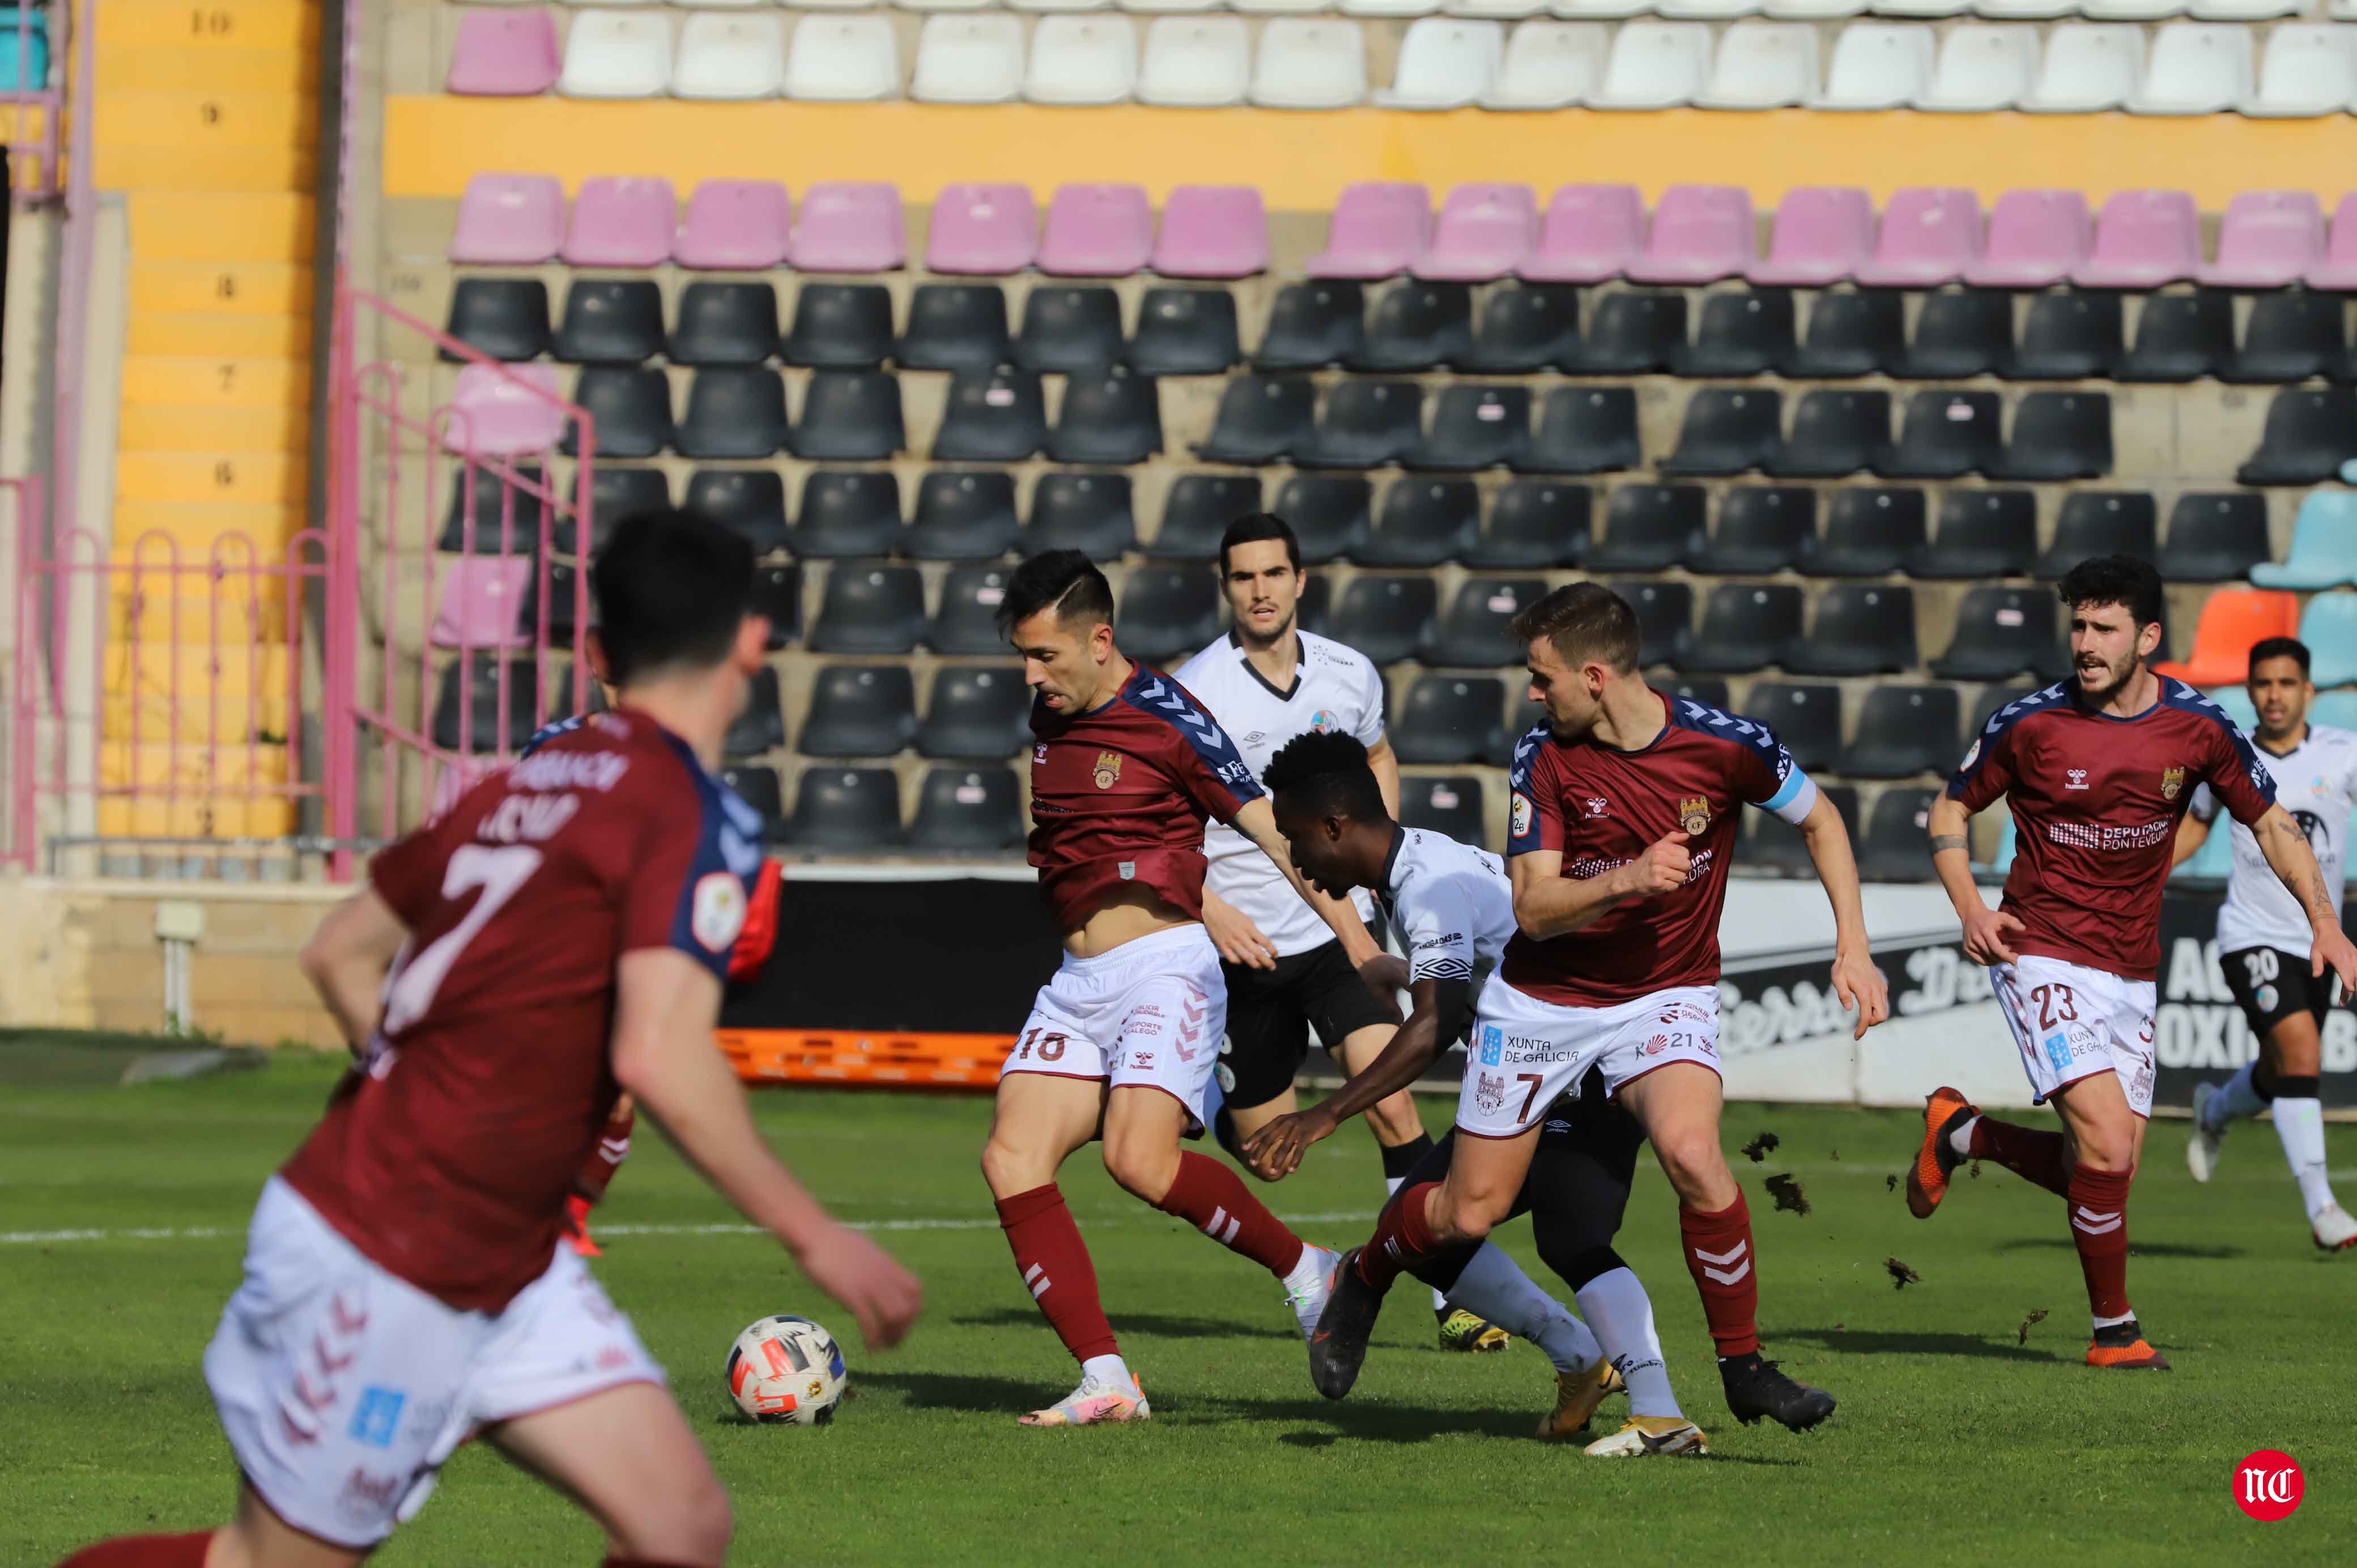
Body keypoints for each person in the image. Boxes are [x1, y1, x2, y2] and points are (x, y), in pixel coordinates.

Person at [53, 510, 923, 1568]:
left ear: (598, 653)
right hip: (385, 1250)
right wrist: (816, 1236)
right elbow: (659, 1054)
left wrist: (416, 1083)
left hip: (508, 1254)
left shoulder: (528, 781)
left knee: (680, 1525)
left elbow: (338, 952)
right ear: (754, 640)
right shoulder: (689, 809)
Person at [1305, 581, 1885, 1438]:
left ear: (1597, 674)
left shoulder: (1726, 746)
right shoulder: (1543, 756)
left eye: (1543, 678)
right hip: (1542, 1006)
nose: (1532, 694)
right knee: (1468, 1211)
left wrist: (1855, 945)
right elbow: (1534, 909)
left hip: (1667, 994)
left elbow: (1823, 820)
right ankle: (1364, 1277)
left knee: (1694, 1153)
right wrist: (1627, 877)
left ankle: (1744, 1367)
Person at [1910, 558, 2357, 1370]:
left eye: (2104, 629)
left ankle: (1963, 1133)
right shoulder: (2030, 723)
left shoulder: (2200, 728)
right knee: (2111, 1147)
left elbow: (2274, 824)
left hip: (2131, 968)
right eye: (2079, 626)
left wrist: (2325, 921)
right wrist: (1970, 907)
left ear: (2147, 638)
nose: (2085, 644)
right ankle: (2114, 1332)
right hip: (2039, 951)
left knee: (2101, 1165)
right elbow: (1950, 807)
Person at [979, 549, 1379, 1428]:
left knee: (1137, 1160)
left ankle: (1310, 1271)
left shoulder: (1172, 720)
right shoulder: (1050, 714)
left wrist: (1353, 933)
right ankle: (1107, 1378)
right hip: (1080, 979)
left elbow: (1280, 835)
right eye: (1023, 656)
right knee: (1010, 1159)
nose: (1031, 674)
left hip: (1165, 967)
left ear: (1101, 639)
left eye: (1045, 655)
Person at [1244, 730, 1703, 1458]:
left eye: (1298, 840)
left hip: (1574, 1070)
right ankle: (1630, 1392)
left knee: (1442, 1223)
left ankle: (1614, 1380)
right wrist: (1406, 974)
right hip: (1582, 1062)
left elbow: (1437, 1022)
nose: (1296, 861)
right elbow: (1471, 970)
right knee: (1552, 1234)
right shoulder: (1420, 865)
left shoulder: (1427, 884)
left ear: (1335, 825)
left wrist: (1324, 1112)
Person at [1173, 514, 1504, 1353]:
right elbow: (1169, 819)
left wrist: (1376, 868)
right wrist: (1210, 907)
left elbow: (1378, 756)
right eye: (1243, 576)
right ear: (1226, 587)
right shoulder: (1196, 689)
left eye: (1273, 573)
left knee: (1395, 1107)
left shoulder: (1350, 673)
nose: (1260, 590)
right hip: (1243, 947)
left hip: (1337, 935)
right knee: (1265, 1153)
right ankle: (1200, 1093)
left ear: (1299, 580)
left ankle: (1450, 1298)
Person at [2172, 637, 2357, 1250]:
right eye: (2262, 684)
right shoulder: (2230, 754)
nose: (2273, 694)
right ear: (2249, 690)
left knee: (2283, 1065)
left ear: (2307, 690)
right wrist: (2132, 879)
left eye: (2285, 683)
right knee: (2301, 1051)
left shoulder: (2342, 752)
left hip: (2317, 937)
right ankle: (2323, 1209)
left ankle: (2216, 1109)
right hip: (2249, 933)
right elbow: (2193, 828)